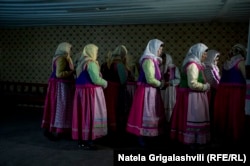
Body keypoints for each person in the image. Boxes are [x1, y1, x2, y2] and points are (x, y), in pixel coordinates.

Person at [126, 39, 166, 147]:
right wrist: (161, 84)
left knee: (152, 113)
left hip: (152, 91)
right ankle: (143, 137)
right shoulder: (148, 60)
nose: (160, 51)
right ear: (153, 48)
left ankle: (150, 136)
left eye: (161, 49)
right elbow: (150, 79)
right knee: (146, 113)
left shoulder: (154, 60)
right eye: (159, 48)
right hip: (147, 91)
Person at [170, 43, 210, 148]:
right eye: (204, 53)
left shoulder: (197, 64)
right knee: (193, 118)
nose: (206, 56)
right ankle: (192, 141)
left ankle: (194, 140)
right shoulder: (192, 65)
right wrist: (205, 87)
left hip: (195, 96)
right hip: (192, 97)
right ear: (198, 53)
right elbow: (192, 84)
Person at [72, 44, 108, 150]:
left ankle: (82, 139)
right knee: (90, 114)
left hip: (81, 92)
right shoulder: (91, 63)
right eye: (96, 52)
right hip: (90, 93)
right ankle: (89, 140)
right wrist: (105, 83)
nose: (97, 54)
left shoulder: (81, 62)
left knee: (82, 115)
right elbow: (95, 79)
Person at [41, 42, 75, 140]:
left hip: (57, 85)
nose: (70, 51)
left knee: (56, 108)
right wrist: (72, 72)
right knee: (61, 107)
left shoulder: (58, 57)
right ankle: (58, 131)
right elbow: (59, 74)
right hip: (61, 86)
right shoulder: (62, 58)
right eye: (69, 49)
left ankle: (60, 131)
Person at [214, 44, 247, 144]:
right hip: (236, 91)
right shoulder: (241, 62)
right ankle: (236, 136)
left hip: (223, 91)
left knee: (226, 113)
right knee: (235, 113)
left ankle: (224, 135)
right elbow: (246, 77)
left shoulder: (226, 63)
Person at [101, 45, 129, 137]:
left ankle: (106, 129)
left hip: (105, 89)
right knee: (117, 110)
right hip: (116, 90)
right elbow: (123, 81)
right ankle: (115, 132)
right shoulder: (119, 65)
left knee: (108, 109)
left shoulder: (105, 64)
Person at [203, 49, 220, 140]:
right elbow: (211, 80)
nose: (216, 60)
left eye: (217, 59)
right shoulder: (207, 67)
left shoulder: (214, 67)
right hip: (210, 92)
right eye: (215, 58)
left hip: (215, 91)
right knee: (209, 110)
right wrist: (220, 88)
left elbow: (218, 79)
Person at [160, 53, 181, 122]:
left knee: (170, 103)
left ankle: (171, 121)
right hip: (162, 89)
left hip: (171, 90)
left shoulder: (174, 68)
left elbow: (178, 79)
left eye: (164, 58)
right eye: (162, 58)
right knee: (162, 104)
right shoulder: (160, 67)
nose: (163, 60)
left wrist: (170, 82)